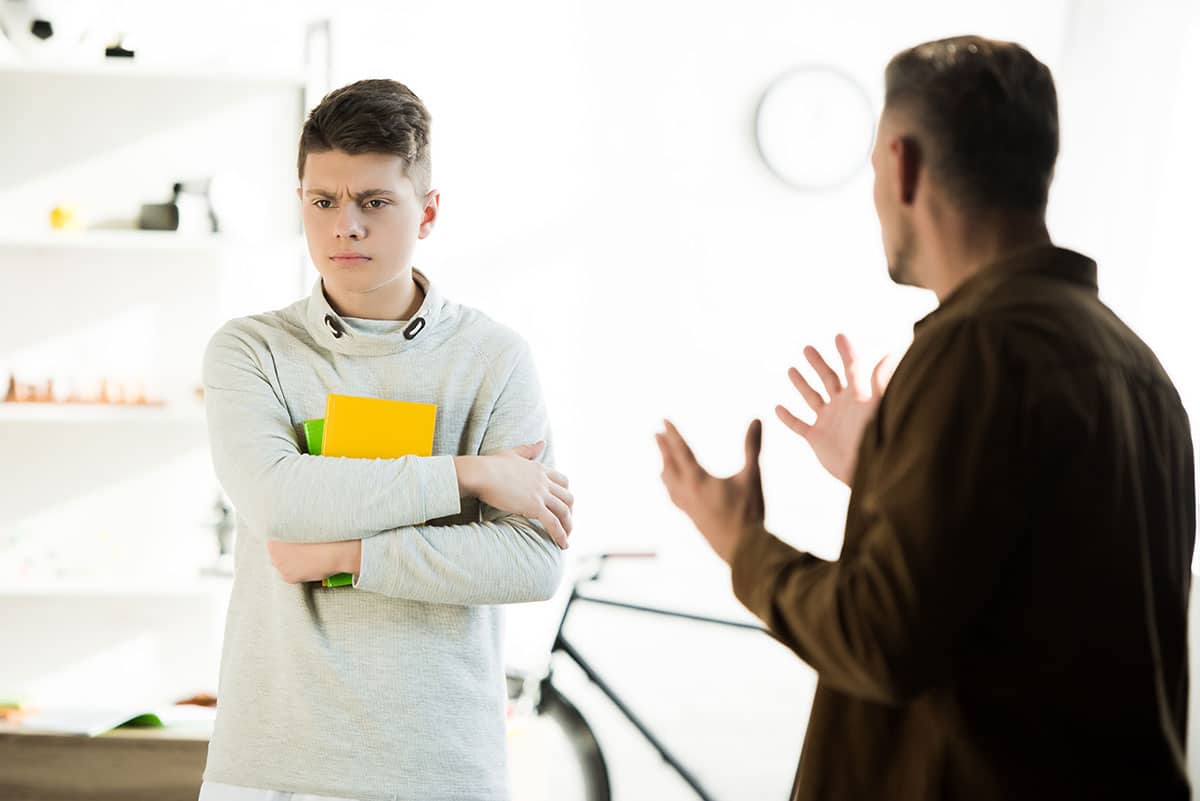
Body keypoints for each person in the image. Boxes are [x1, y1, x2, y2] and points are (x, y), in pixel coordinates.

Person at [657, 35, 1194, 801]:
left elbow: (880, 640)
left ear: (901, 165)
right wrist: (881, 464)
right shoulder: (1141, 373)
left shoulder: (977, 349)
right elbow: (1034, 587)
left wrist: (741, 543)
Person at [198, 79, 573, 801]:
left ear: (427, 212)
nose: (347, 226)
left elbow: (530, 560)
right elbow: (279, 502)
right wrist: (468, 475)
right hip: (276, 769)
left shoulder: (495, 357)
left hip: (440, 766)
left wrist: (350, 554)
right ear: (300, 201)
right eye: (324, 201)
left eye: (375, 202)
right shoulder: (251, 351)